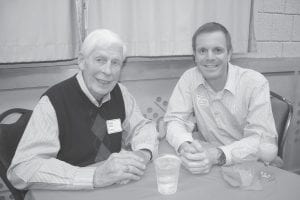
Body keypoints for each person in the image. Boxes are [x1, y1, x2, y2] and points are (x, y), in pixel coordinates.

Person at [7, 29, 158, 190]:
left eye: (115, 63)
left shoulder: (120, 92)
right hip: (71, 192)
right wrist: (94, 176)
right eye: (100, 60)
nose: (107, 71)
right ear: (81, 61)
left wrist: (143, 152)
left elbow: (143, 127)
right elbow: (22, 170)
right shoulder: (54, 101)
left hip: (113, 187)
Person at [164, 22, 278, 174]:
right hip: (210, 164)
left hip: (252, 164)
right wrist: (185, 145)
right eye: (202, 51)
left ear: (229, 54)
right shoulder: (189, 78)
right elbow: (174, 120)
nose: (209, 57)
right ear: (195, 56)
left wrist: (217, 155)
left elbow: (261, 139)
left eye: (217, 50)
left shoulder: (255, 83)